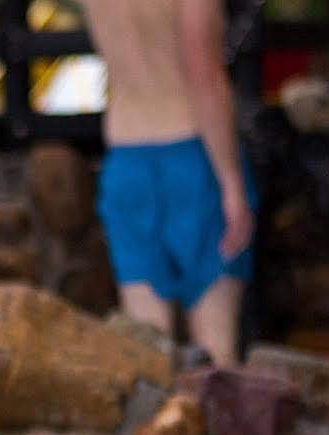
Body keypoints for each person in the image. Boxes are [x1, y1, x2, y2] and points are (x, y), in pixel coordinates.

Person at [82, 0, 257, 367]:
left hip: (126, 163)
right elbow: (203, 75)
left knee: (145, 357)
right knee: (217, 358)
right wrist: (232, 186)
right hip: (193, 159)